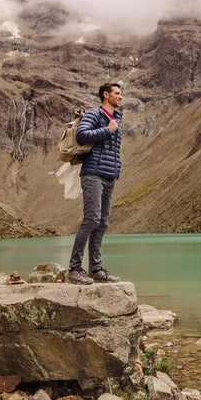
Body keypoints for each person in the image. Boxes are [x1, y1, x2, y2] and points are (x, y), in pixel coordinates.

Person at [66, 82, 123, 285]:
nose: (120, 96)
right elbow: (82, 136)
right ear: (106, 95)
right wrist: (107, 130)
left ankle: (96, 270)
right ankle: (74, 269)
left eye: (121, 93)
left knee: (102, 222)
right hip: (93, 174)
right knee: (91, 219)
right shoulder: (94, 114)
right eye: (117, 93)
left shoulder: (116, 118)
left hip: (109, 175)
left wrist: (117, 168)